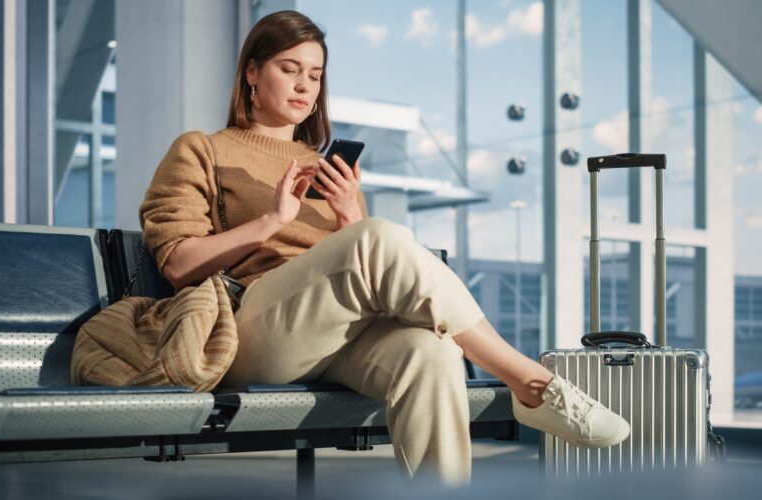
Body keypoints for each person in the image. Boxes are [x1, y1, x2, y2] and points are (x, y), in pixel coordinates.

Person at [139, 10, 630, 486]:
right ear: (251, 73)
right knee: (380, 237)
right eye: (289, 69)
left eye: (315, 74)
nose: (304, 85)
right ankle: (529, 380)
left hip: (335, 335)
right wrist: (272, 220)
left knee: (430, 353)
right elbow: (179, 264)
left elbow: (359, 266)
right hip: (250, 330)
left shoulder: (325, 166)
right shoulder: (202, 149)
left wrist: (350, 213)